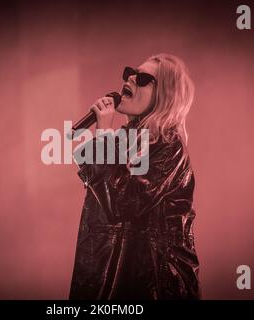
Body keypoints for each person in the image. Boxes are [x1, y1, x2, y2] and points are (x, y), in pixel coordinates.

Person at [69, 53, 200, 299]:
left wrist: (104, 135)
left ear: (164, 96)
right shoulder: (122, 143)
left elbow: (123, 205)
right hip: (107, 283)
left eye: (142, 78)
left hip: (153, 286)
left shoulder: (169, 147)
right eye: (130, 72)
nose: (130, 78)